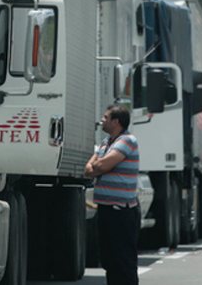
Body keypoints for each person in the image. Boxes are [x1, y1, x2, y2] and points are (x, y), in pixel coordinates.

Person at [85, 105, 139, 285]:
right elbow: (88, 169)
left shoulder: (127, 141)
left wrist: (98, 164)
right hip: (106, 208)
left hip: (121, 210)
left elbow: (100, 166)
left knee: (123, 260)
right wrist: (98, 165)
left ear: (116, 121)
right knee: (109, 260)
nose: (102, 120)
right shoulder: (106, 142)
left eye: (106, 117)